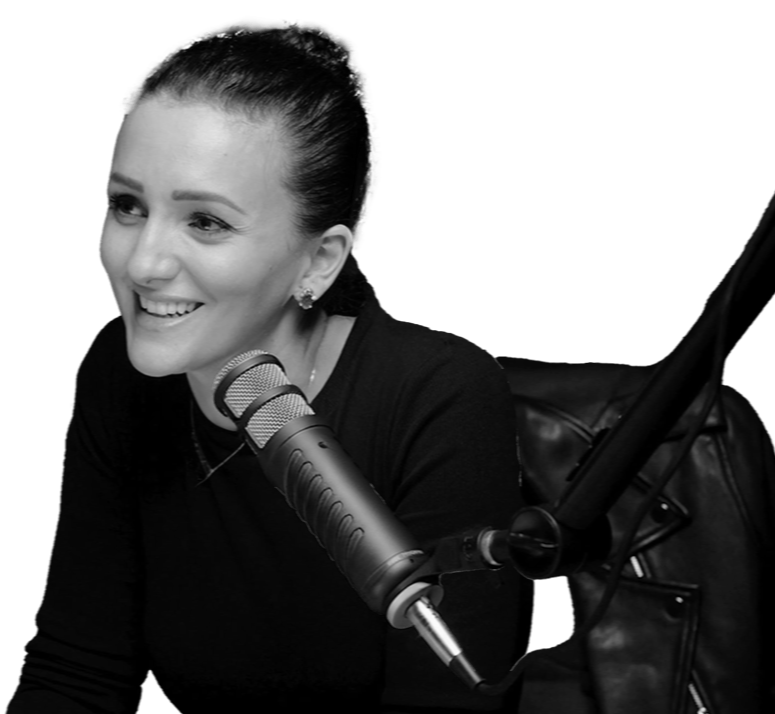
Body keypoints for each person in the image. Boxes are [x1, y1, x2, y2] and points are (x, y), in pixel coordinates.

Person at [6, 22, 528, 713]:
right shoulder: (118, 375)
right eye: (127, 206)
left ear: (318, 262)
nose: (142, 264)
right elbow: (76, 670)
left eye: (206, 222)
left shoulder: (437, 396)